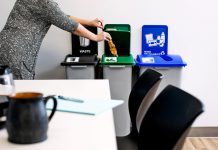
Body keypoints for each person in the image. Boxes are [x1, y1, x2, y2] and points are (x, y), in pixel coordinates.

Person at [0, 0, 111, 79]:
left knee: (5, 92)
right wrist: (96, 37)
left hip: (4, 46)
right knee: (20, 96)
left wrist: (89, 22)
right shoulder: (45, 3)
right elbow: (70, 25)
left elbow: (60, 16)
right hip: (17, 53)